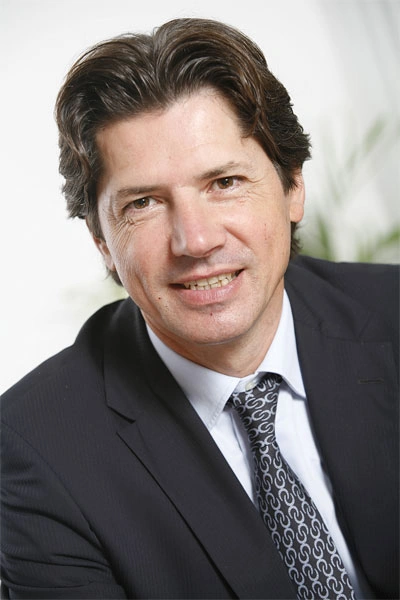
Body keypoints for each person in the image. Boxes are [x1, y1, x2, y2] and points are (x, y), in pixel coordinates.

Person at [1, 17, 398, 600]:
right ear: (101, 240)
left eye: (225, 183)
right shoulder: (36, 450)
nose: (196, 240)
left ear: (293, 187)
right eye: (143, 202)